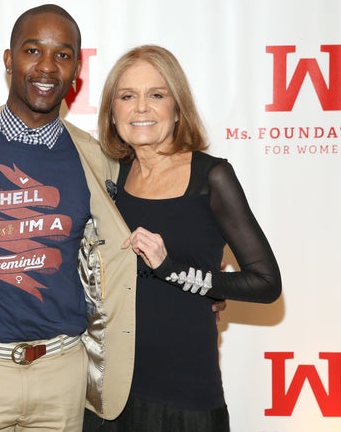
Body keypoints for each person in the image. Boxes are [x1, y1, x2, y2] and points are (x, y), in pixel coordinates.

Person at [0, 4, 138, 431]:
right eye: (33, 50)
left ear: (76, 71)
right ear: (8, 59)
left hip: (61, 373)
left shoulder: (95, 158)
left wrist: (199, 285)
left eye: (63, 55)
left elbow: (124, 247)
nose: (47, 67)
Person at [84, 45, 282, 432]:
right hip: (107, 394)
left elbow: (266, 282)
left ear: (177, 108)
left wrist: (175, 270)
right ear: (112, 111)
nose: (141, 108)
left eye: (156, 95)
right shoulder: (109, 178)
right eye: (127, 96)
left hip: (185, 396)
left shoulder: (212, 178)